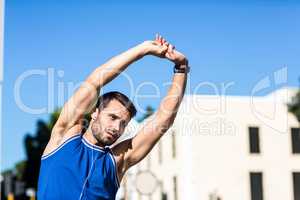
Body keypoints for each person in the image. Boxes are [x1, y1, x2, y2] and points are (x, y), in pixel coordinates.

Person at [37, 34, 189, 200]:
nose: (117, 128)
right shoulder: (65, 135)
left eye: (123, 124)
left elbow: (163, 120)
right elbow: (95, 81)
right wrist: (143, 49)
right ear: (95, 112)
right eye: (112, 117)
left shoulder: (117, 161)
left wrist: (181, 67)